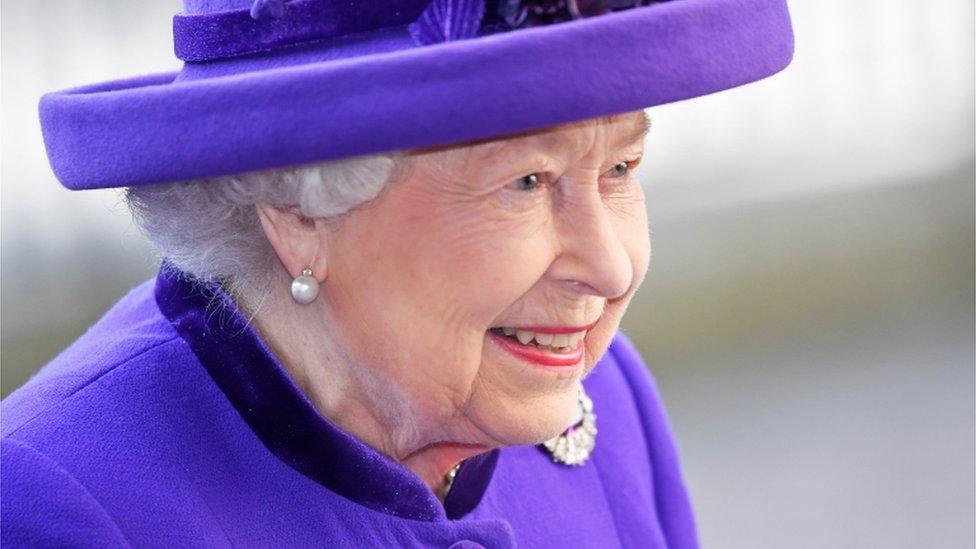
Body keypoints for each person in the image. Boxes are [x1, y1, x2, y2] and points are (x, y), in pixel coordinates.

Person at [1, 0, 793, 546]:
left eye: (621, 167)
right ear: (298, 210)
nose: (610, 265)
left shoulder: (607, 396)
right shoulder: (60, 504)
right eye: (526, 182)